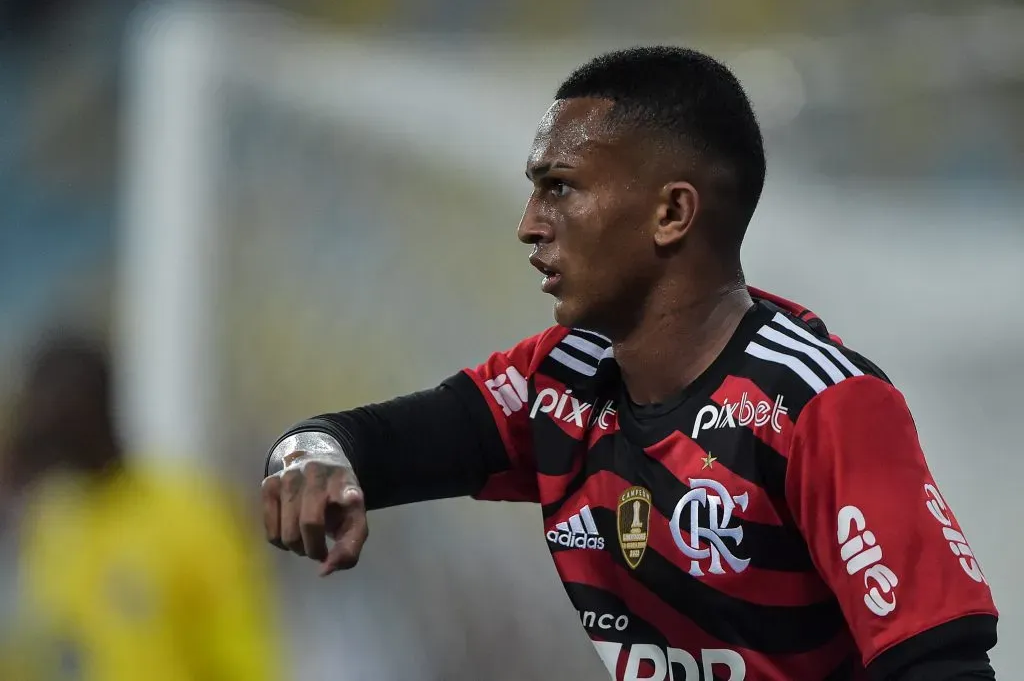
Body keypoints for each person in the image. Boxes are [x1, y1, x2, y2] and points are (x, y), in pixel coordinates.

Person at [260, 47, 998, 680]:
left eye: (560, 186)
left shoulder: (819, 405)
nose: (528, 225)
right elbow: (365, 443)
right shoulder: (561, 378)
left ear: (672, 213)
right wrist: (307, 455)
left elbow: (942, 663)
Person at [0, 334, 279, 681]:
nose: (39, 431)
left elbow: (246, 662)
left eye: (48, 414)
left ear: (88, 410)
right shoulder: (49, 522)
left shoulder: (191, 514)